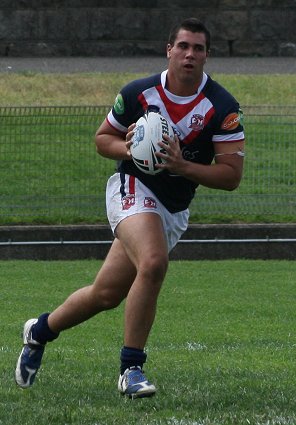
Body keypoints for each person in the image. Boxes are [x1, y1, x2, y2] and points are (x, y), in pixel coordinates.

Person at [15, 17, 245, 399]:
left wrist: (181, 165)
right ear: (168, 49)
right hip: (131, 187)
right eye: (183, 46)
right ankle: (131, 369)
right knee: (154, 262)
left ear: (207, 56)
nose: (189, 54)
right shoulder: (139, 93)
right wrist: (133, 148)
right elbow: (103, 139)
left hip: (172, 208)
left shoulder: (222, 106)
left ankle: (38, 331)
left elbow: (231, 175)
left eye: (198, 48)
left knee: (105, 294)